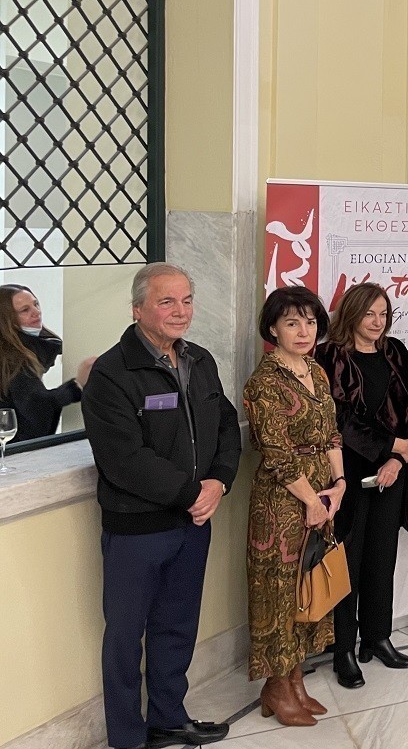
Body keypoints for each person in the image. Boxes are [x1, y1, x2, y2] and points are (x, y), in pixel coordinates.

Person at [82, 263, 241, 749]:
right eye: (166, 301)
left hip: (192, 523)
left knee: (177, 627)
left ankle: (169, 719)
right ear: (137, 309)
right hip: (137, 529)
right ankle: (128, 737)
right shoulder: (111, 373)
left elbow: (225, 426)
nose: (180, 311)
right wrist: (194, 493)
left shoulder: (200, 360)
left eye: (187, 300)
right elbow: (124, 459)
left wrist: (219, 482)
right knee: (125, 637)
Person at [244, 286, 344, 727]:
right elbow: (277, 454)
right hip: (281, 503)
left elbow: (331, 434)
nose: (304, 331)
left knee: (308, 586)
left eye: (310, 322)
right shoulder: (264, 382)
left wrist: (339, 485)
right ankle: (276, 686)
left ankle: (296, 679)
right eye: (292, 323)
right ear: (273, 329)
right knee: (280, 592)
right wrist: (312, 501)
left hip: (322, 494)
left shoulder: (316, 371)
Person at [313, 282, 408, 690]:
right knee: (349, 560)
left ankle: (378, 637)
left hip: (391, 473)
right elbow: (336, 419)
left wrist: (397, 458)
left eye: (383, 314)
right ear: (351, 314)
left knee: (382, 556)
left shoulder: (396, 353)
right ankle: (343, 648)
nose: (377, 322)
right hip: (346, 474)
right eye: (369, 314)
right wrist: (390, 445)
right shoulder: (328, 356)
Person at [0, 283, 95, 442]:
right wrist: (77, 386)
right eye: (25, 310)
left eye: (36, 304)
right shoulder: (12, 361)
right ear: (7, 320)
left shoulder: (25, 350)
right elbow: (36, 407)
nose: (36, 312)